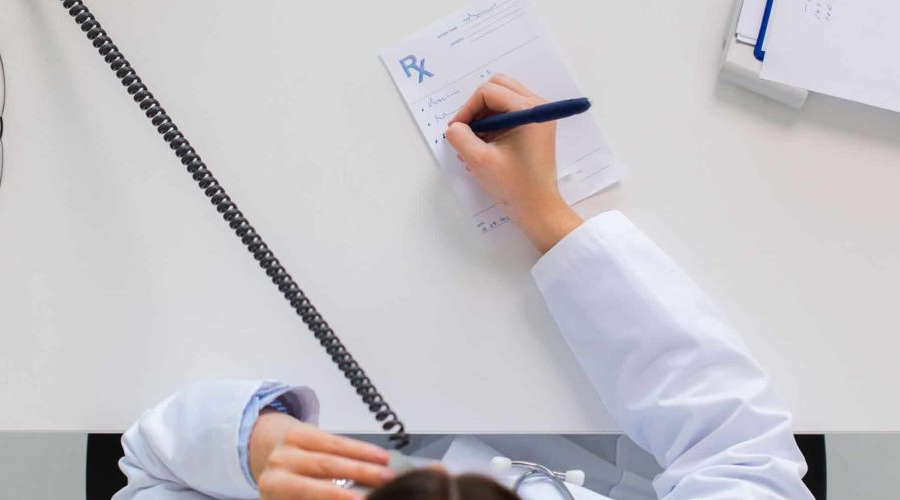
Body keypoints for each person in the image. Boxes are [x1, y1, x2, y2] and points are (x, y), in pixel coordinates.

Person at [112, 75, 813, 500]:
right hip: (573, 403)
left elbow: (146, 468)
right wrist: (547, 213)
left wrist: (252, 446)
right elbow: (740, 449)